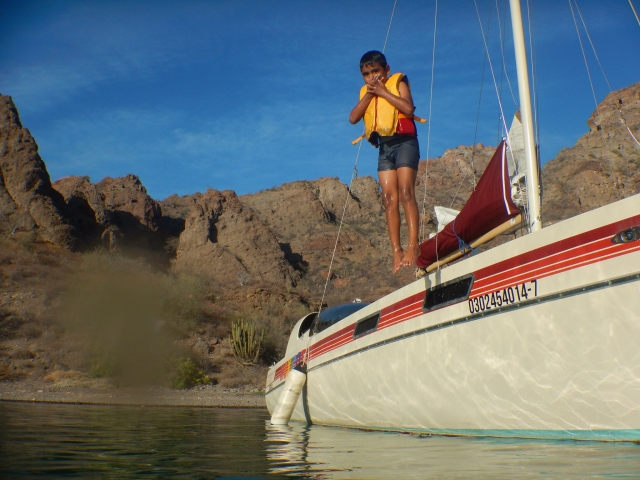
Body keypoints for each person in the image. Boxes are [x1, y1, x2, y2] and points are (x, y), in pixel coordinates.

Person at [349, 50, 421, 273]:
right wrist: (371, 94)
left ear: (386, 70)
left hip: (405, 144)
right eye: (366, 74)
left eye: (376, 71)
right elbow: (353, 118)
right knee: (389, 198)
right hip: (385, 148)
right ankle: (396, 251)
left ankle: (413, 246)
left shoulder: (397, 82)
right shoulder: (366, 92)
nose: (372, 77)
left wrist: (382, 91)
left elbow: (408, 108)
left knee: (406, 192)